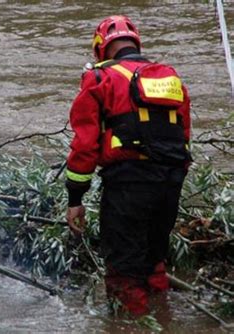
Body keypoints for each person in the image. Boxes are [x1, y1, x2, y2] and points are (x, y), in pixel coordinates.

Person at [65, 15, 191, 316]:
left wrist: (75, 199)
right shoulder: (170, 78)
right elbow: (184, 135)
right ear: (135, 43)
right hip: (170, 183)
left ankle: (129, 323)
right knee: (153, 260)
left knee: (124, 269)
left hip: (129, 184)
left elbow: (84, 146)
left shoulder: (100, 78)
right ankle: (161, 317)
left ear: (101, 49)